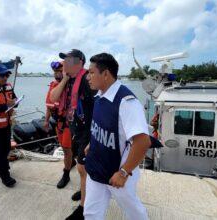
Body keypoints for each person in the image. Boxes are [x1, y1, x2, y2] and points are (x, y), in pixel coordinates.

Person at [84, 53, 151, 220]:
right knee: (91, 213)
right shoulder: (100, 96)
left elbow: (143, 141)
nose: (87, 77)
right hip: (97, 167)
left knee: (133, 211)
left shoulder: (126, 102)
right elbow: (102, 126)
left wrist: (123, 173)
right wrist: (92, 144)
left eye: (91, 72)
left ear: (105, 74)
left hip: (117, 171)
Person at [49, 49, 96, 220]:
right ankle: (85, 191)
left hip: (87, 131)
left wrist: (94, 136)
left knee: (83, 168)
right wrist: (66, 78)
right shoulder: (68, 79)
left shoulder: (86, 80)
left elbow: (99, 105)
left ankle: (83, 210)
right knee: (82, 167)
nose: (64, 63)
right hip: (75, 129)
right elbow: (54, 97)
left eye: (67, 60)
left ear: (79, 63)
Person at [44, 61, 76, 189]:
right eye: (55, 72)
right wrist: (46, 120)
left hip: (68, 123)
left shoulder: (72, 86)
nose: (57, 74)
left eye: (60, 71)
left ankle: (66, 174)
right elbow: (49, 105)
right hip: (58, 123)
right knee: (63, 147)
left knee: (67, 150)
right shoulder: (53, 86)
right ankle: (71, 162)